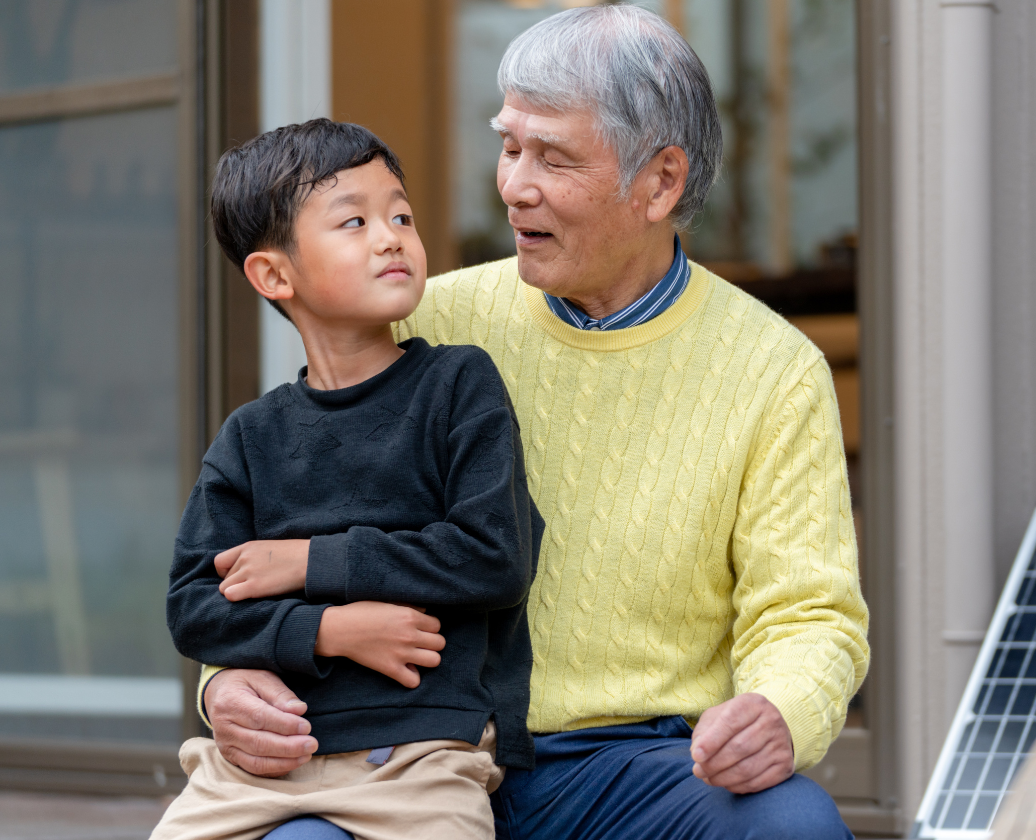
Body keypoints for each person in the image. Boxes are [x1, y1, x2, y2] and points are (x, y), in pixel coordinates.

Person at [199, 7, 869, 839]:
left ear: (661, 182)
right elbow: (275, 528)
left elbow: (808, 614)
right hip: (405, 751)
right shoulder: (420, 319)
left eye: (553, 156)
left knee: (791, 824)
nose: (514, 185)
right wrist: (227, 681)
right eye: (509, 146)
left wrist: (779, 710)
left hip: (630, 766)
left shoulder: (773, 369)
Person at [153, 119, 542, 840]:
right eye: (354, 222)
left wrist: (311, 562)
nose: (391, 237)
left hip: (421, 757)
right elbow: (195, 606)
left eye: (401, 216)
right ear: (275, 276)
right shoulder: (251, 436)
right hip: (261, 765)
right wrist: (328, 630)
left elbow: (494, 556)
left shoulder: (459, 385)